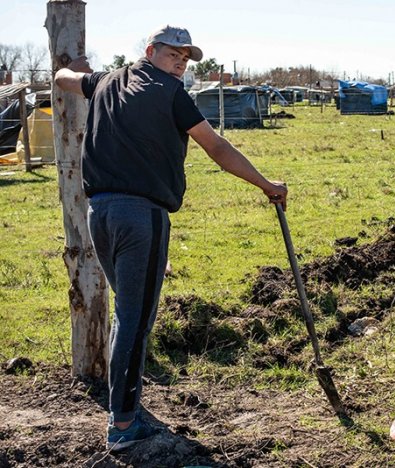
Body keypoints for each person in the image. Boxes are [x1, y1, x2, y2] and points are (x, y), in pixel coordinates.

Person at [54, 25, 287, 451]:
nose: (180, 62)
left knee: (127, 311)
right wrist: (266, 184)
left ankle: (123, 407)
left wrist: (73, 68)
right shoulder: (171, 94)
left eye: (186, 57)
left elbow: (62, 80)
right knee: (134, 319)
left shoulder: (107, 80)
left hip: (99, 213)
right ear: (150, 51)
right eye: (173, 54)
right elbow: (216, 148)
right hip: (142, 214)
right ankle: (123, 426)